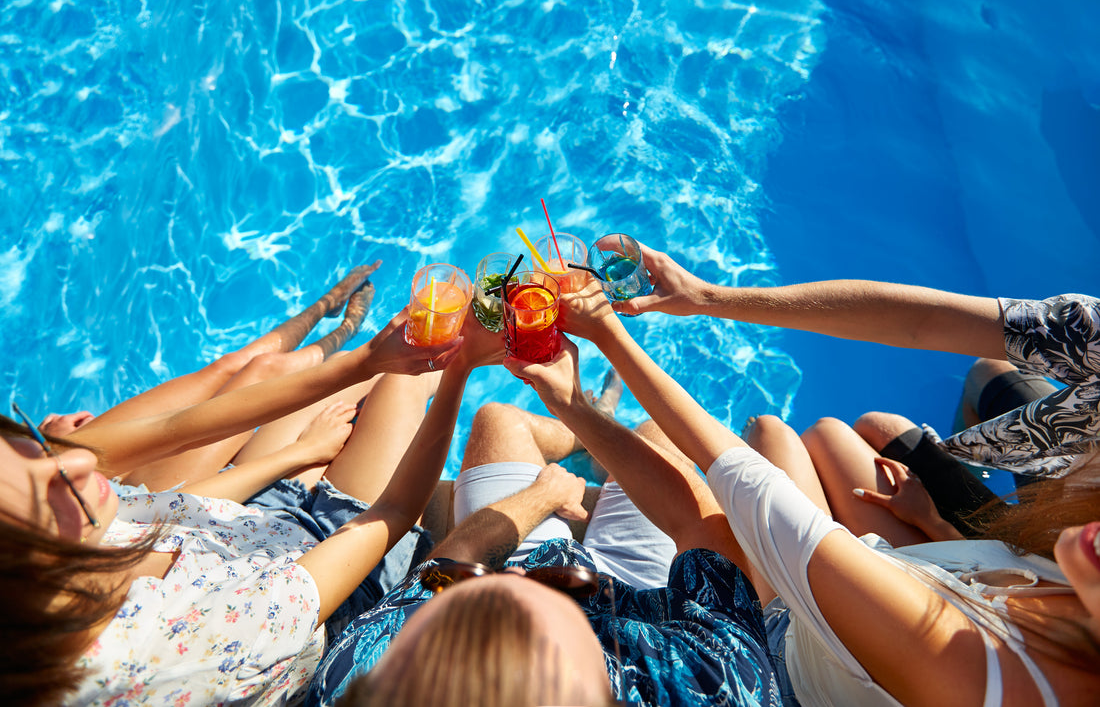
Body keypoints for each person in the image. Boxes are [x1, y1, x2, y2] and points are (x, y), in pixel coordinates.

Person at [561, 278, 1100, 706]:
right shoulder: (1077, 583)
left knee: (760, 442)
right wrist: (936, 523)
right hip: (921, 579)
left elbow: (757, 492)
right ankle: (585, 432)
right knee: (830, 435)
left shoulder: (978, 671)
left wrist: (609, 336)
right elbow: (920, 320)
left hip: (794, 644)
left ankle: (583, 428)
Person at [0, 309, 501, 706]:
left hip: (255, 523)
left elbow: (178, 480)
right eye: (56, 485)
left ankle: (346, 334)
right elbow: (391, 512)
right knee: (410, 381)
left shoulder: (76, 542)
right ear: (41, 580)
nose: (83, 462)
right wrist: (461, 367)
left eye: (43, 449)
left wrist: (360, 367)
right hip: (339, 576)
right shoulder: (185, 649)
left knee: (370, 377)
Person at [308, 345, 782, 706]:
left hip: (554, 551)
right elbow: (700, 527)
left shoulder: (377, 675)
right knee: (656, 440)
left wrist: (544, 495)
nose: (510, 575)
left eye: (484, 600)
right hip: (647, 597)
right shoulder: (711, 686)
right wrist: (573, 403)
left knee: (499, 419)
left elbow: (448, 570)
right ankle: (598, 426)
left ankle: (586, 437)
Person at [616, 245, 1100, 511]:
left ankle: (969, 509)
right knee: (990, 369)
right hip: (1064, 467)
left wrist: (934, 525)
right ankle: (971, 471)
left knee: (836, 437)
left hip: (1045, 560)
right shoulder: (1091, 331)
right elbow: (922, 321)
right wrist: (707, 297)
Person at [53, 262, 381, 492]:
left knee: (227, 365)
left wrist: (37, 446)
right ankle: (345, 329)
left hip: (64, 473)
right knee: (262, 369)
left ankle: (325, 305)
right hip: (129, 512)